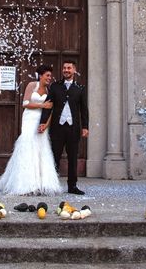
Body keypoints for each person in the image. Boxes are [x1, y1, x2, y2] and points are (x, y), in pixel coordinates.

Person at [0, 65, 62, 196]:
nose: (49, 78)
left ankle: (42, 183)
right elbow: (25, 103)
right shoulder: (32, 85)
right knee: (28, 146)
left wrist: (45, 124)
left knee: (41, 147)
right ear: (41, 76)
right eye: (47, 75)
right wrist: (41, 105)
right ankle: (26, 184)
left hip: (41, 120)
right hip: (29, 119)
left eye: (50, 76)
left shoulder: (49, 89)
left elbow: (51, 108)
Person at [38, 60, 89, 195]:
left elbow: (84, 109)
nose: (66, 70)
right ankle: (51, 185)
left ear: (74, 70)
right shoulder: (55, 86)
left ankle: (72, 186)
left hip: (73, 128)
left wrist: (85, 127)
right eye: (64, 68)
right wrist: (43, 122)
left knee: (73, 158)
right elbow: (48, 105)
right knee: (55, 156)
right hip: (57, 128)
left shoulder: (80, 88)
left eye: (69, 68)